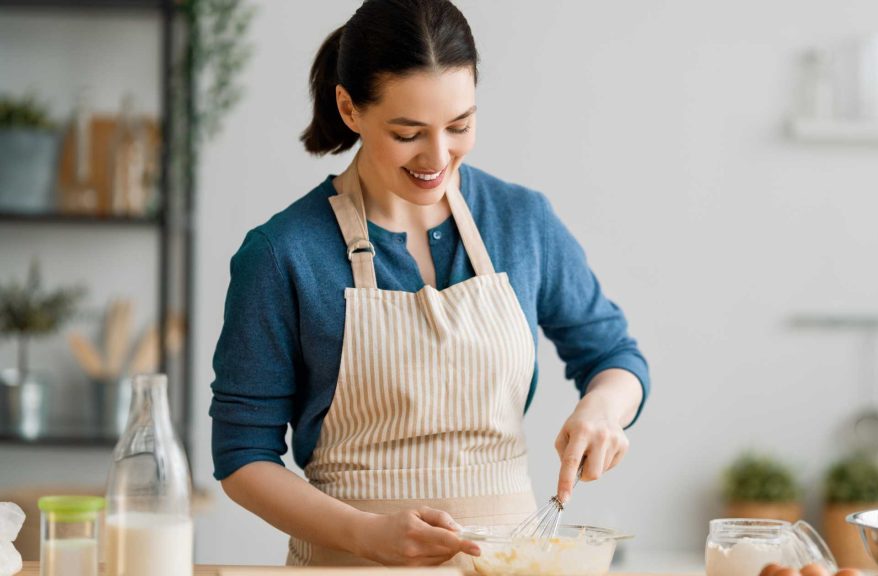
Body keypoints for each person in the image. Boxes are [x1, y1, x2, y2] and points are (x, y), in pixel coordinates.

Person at [208, 0, 649, 568]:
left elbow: (615, 354)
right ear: (349, 107)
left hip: (507, 564)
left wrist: (604, 408)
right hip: (352, 565)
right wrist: (366, 534)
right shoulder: (281, 253)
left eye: (460, 126)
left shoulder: (522, 221)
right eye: (408, 132)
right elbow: (242, 457)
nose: (438, 157)